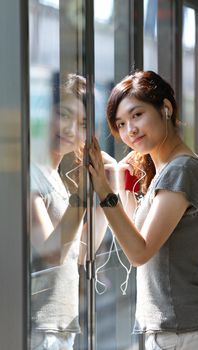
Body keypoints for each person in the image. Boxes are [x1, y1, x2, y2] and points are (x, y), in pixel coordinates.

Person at [88, 70, 198, 350]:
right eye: (121, 123)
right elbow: (135, 237)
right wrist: (122, 180)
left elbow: (139, 252)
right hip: (177, 332)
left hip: (187, 334)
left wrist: (104, 191)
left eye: (137, 115)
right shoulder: (166, 170)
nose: (130, 130)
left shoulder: (181, 170)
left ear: (165, 108)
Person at [31, 74, 87, 350]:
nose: (70, 129)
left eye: (81, 124)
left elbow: (83, 252)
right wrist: (83, 197)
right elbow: (50, 253)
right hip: (40, 329)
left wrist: (106, 189)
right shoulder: (30, 174)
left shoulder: (59, 179)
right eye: (64, 115)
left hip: (64, 326)